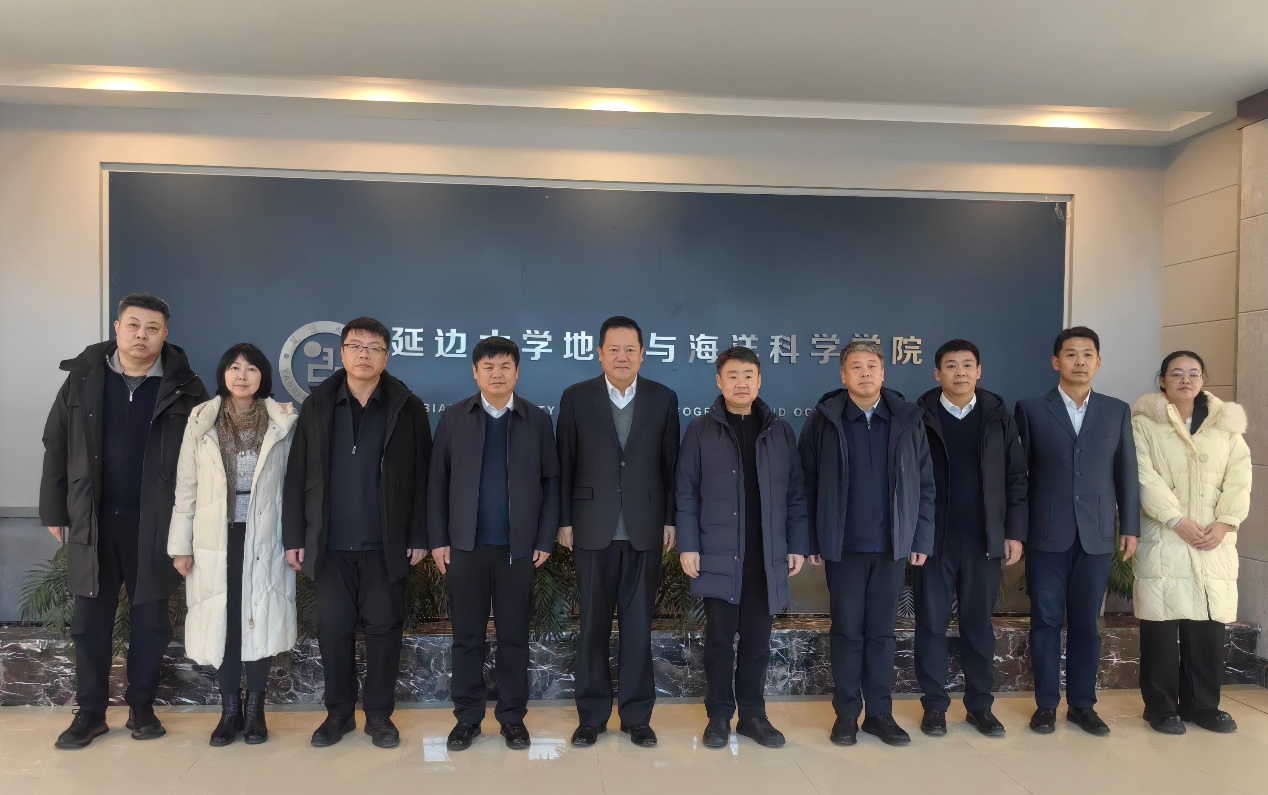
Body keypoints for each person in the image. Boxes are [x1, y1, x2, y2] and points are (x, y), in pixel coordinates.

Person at [40, 293, 209, 749]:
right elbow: (56, 442)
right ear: (117, 328)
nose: (141, 335)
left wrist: (193, 525)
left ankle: (142, 706)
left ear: (165, 334)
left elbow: (204, 462)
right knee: (88, 622)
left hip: (156, 524)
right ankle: (90, 712)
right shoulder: (83, 378)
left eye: (152, 328)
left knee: (151, 621)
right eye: (133, 325)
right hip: (93, 519)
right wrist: (55, 509)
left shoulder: (187, 388)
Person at [282, 317, 432, 749]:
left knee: (385, 630)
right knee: (334, 630)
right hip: (329, 543)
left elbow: (423, 476)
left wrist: (419, 534)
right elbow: (297, 473)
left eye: (374, 347)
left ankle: (380, 716)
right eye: (355, 346)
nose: (364, 354)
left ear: (387, 355)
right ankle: (339, 714)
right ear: (343, 352)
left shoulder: (407, 406)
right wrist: (295, 536)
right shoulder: (318, 404)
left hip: (386, 544)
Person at [798, 339, 935, 747]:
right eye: (856, 367)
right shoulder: (824, 420)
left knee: (882, 634)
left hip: (892, 546)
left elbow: (925, 485)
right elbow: (805, 483)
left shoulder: (907, 419)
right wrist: (812, 538)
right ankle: (846, 715)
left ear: (883, 372)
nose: (865, 373)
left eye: (872, 366)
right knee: (846, 633)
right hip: (844, 547)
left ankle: (879, 714)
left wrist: (920, 536)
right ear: (843, 375)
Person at [428, 337, 560, 751]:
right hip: (464, 548)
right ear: (475, 372)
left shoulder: (537, 419)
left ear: (517, 372)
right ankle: (467, 718)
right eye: (488, 367)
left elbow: (551, 483)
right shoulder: (454, 418)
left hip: (517, 550)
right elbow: (436, 483)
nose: (497, 374)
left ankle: (512, 718)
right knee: (466, 638)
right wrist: (438, 540)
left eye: (505, 366)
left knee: (514, 638)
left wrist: (544, 538)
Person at [556, 316, 680, 748]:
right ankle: (590, 717)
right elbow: (564, 463)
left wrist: (670, 519)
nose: (622, 356)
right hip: (592, 528)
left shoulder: (663, 398)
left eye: (630, 349)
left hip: (645, 528)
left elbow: (670, 465)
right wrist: (564, 520)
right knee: (592, 627)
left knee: (638, 628)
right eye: (613, 349)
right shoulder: (576, 397)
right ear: (600, 353)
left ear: (642, 354)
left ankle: (636, 717)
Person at [676, 346, 808, 749]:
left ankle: (752, 715)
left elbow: (795, 493)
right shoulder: (701, 430)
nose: (741, 383)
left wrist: (797, 544)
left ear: (759, 380)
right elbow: (686, 491)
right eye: (732, 375)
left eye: (748, 375)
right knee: (719, 642)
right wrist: (688, 545)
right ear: (719, 381)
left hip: (766, 557)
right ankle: (718, 716)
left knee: (757, 643)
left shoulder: (779, 431)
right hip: (718, 554)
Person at [168, 343, 298, 746]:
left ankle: (256, 710)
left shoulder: (283, 422)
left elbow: (295, 487)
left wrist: (296, 539)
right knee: (223, 623)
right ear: (223, 374)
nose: (242, 376)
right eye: (235, 368)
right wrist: (181, 545)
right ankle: (229, 712)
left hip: (265, 537)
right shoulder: (201, 421)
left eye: (251, 369)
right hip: (215, 539)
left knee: (259, 619)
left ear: (263, 376)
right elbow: (186, 488)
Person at [1015, 326, 1139, 736]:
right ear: (1056, 362)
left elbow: (1126, 472)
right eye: (1071, 354)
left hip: (1097, 534)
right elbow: (1019, 475)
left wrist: (1130, 526)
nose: (1079, 361)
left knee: (1087, 624)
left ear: (1098, 362)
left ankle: (1083, 705)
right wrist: (1018, 529)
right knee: (1045, 622)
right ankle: (1046, 705)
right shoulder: (1032, 409)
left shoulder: (1116, 410)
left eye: (1087, 354)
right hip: (1046, 533)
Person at [1132, 351, 1251, 735]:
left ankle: (1204, 706)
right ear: (1162, 380)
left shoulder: (1226, 427)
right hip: (1165, 536)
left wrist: (1225, 522)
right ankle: (1161, 707)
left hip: (1213, 539)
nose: (1185, 380)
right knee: (1161, 627)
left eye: (1193, 374)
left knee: (1208, 627)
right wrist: (1175, 519)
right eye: (1176, 374)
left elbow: (1240, 478)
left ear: (1203, 380)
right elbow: (1142, 476)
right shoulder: (1143, 425)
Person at [913, 340, 1027, 737]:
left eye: (967, 365)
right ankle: (934, 706)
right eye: (950, 365)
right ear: (937, 373)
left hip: (984, 540)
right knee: (930, 625)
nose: (959, 372)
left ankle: (980, 706)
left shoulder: (998, 417)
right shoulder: (919, 416)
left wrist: (1014, 532)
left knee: (978, 626)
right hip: (934, 541)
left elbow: (1016, 478)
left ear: (979, 371)